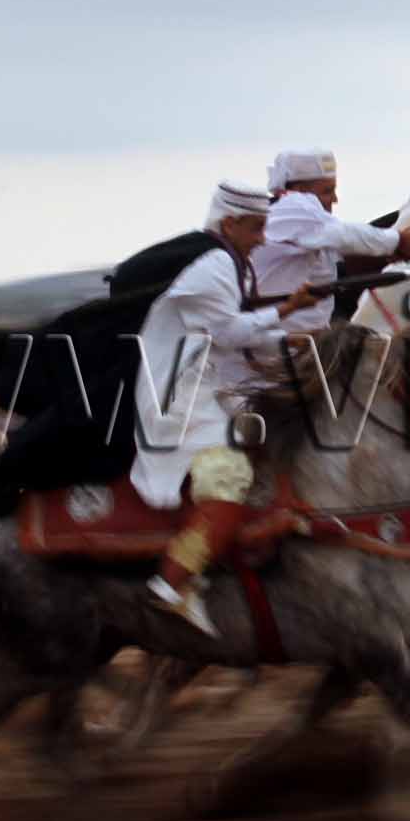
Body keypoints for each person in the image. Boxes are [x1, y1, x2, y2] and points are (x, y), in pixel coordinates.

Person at [136, 179, 317, 635]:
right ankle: (171, 583)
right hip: (180, 397)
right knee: (228, 479)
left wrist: (287, 337)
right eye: (256, 229)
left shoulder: (225, 261)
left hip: (198, 387)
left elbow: (230, 330)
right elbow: (229, 333)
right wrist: (287, 311)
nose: (262, 240)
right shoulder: (216, 264)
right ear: (230, 223)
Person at [250, 147, 410, 331]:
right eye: (328, 191)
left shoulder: (300, 222)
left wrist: (387, 253)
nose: (335, 199)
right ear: (301, 190)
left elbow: (343, 252)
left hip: (299, 336)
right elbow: (344, 235)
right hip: (285, 339)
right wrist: (399, 240)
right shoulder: (294, 206)